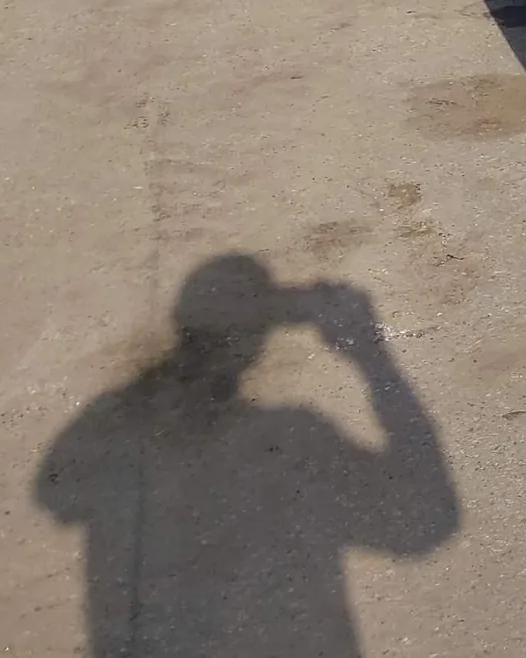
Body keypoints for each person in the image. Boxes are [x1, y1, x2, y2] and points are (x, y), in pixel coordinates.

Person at [36, 256, 458, 657]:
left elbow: (55, 490)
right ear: (258, 343)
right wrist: (373, 358)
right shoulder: (294, 443)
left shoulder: (116, 437)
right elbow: (427, 519)